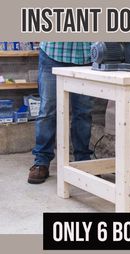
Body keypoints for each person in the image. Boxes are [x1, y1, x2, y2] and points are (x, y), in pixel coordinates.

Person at [28, 42, 94, 184]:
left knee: (83, 113)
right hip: (53, 53)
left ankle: (83, 161)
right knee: (47, 111)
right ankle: (41, 162)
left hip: (86, 56)